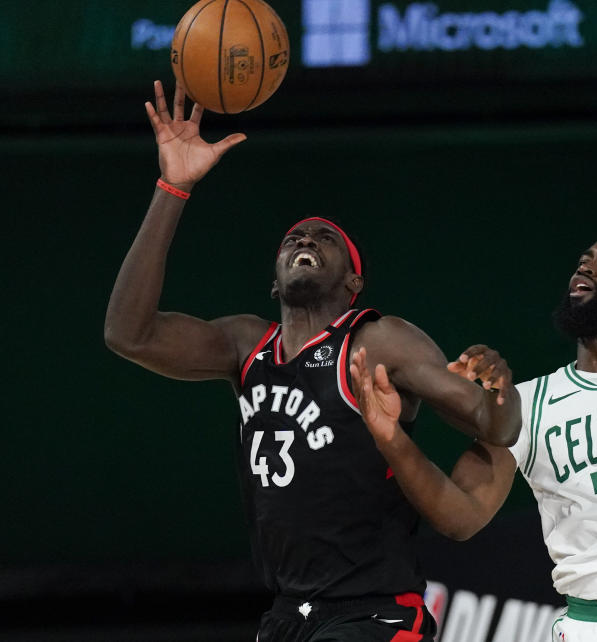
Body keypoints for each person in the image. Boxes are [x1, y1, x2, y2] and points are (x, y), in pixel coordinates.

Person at [104, 81, 521, 642]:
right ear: (273, 282)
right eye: (294, 237)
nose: (306, 238)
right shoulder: (245, 345)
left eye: (325, 238)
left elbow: (495, 427)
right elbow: (127, 334)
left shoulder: (377, 340)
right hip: (287, 616)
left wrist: (499, 386)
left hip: (374, 612)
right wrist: (172, 187)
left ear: (354, 280)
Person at [351, 228, 597, 641]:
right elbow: (459, 518)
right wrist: (393, 438)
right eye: (585, 258)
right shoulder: (527, 404)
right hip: (587, 625)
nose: (587, 265)